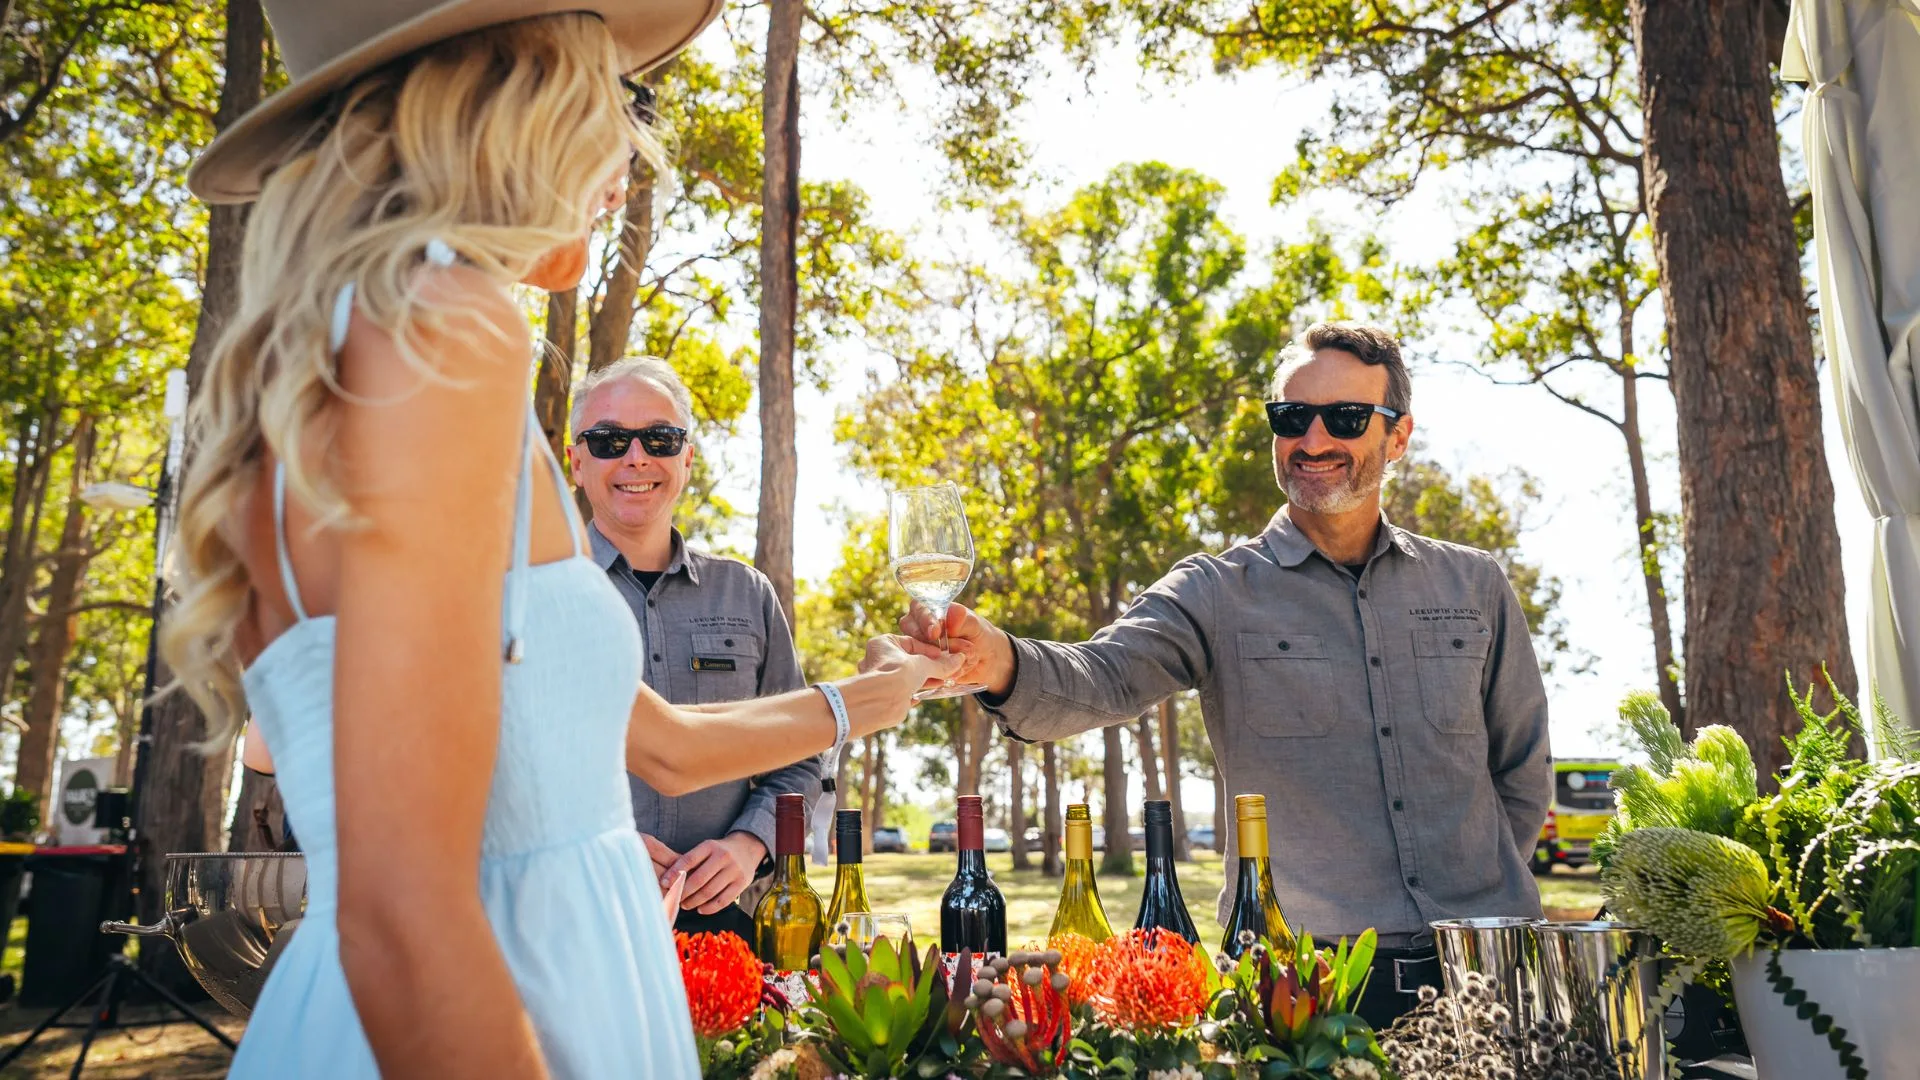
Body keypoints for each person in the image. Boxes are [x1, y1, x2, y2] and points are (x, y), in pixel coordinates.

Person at [163, 5, 959, 1078]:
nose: (631, 163)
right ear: (512, 97)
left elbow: (653, 742)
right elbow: (402, 907)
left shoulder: (347, 351)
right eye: (618, 98)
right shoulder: (445, 331)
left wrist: (864, 700)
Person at [903, 321, 1551, 1028]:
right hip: (1306, 994)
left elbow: (1522, 771)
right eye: (1292, 416)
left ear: (1398, 436)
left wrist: (1486, 894)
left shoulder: (1475, 585)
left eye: (1345, 417)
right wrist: (999, 660)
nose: (1313, 440)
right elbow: (1104, 675)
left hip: (1494, 973)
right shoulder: (1215, 591)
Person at [567, 355, 816, 939]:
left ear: (686, 459)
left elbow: (801, 754)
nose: (636, 457)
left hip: (727, 930)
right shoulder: (530, 596)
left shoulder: (747, 594)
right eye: (608, 441)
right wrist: (588, 844)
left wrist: (750, 844)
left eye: (659, 438)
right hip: (575, 923)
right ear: (576, 462)